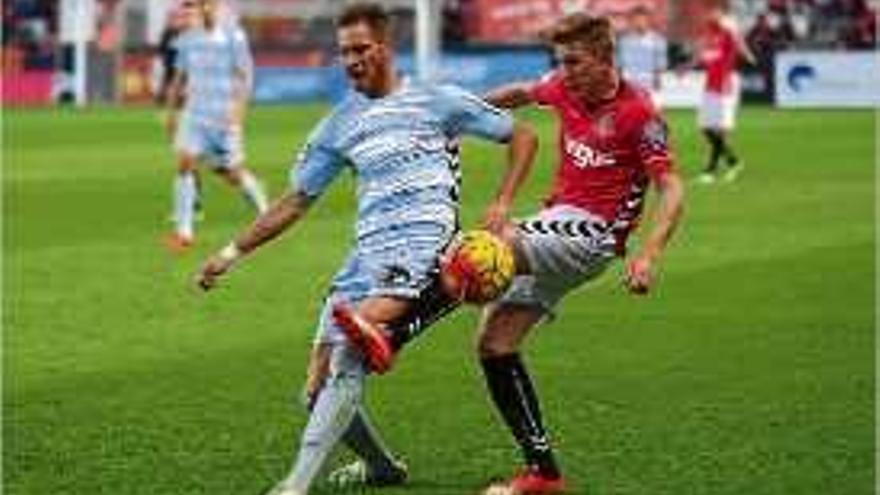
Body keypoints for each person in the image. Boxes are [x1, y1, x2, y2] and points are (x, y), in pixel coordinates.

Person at [194, 3, 539, 494]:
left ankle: (294, 485)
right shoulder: (337, 126)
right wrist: (229, 254)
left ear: (385, 47)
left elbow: (522, 135)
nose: (351, 60)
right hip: (363, 264)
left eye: (360, 49)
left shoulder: (436, 101)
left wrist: (503, 202)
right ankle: (383, 468)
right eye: (344, 53)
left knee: (348, 358)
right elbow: (294, 203)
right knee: (313, 393)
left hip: (424, 256)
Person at [339, 13, 685, 494]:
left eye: (574, 62)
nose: (565, 72)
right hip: (557, 226)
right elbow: (521, 92)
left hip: (592, 236)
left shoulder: (640, 114)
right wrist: (457, 113)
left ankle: (391, 334)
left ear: (606, 59)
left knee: (481, 249)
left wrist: (649, 253)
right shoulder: (564, 86)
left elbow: (670, 187)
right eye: (560, 62)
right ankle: (543, 473)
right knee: (494, 345)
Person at [164, 0, 268, 252]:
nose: (206, 9)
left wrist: (238, 111)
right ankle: (184, 231)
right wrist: (170, 110)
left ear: (218, 6)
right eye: (201, 5)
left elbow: (245, 75)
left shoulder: (234, 35)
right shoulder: (188, 38)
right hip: (194, 115)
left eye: (209, 4)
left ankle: (265, 212)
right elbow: (179, 76)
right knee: (184, 163)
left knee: (231, 173)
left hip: (223, 117)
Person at [693, 5, 755, 184]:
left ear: (721, 13)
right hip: (710, 86)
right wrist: (687, 66)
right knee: (705, 127)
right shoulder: (709, 33)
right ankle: (733, 162)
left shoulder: (728, 31)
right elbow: (703, 55)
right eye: (708, 10)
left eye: (713, 10)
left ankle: (710, 171)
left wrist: (749, 56)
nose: (709, 14)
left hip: (724, 86)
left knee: (721, 129)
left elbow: (739, 44)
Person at [617, 4, 667, 107]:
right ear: (631, 21)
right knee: (629, 119)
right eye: (636, 20)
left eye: (642, 19)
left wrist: (657, 86)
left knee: (652, 120)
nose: (639, 23)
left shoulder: (657, 40)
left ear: (648, 21)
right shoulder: (624, 42)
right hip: (629, 87)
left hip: (649, 86)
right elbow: (619, 66)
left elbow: (661, 66)